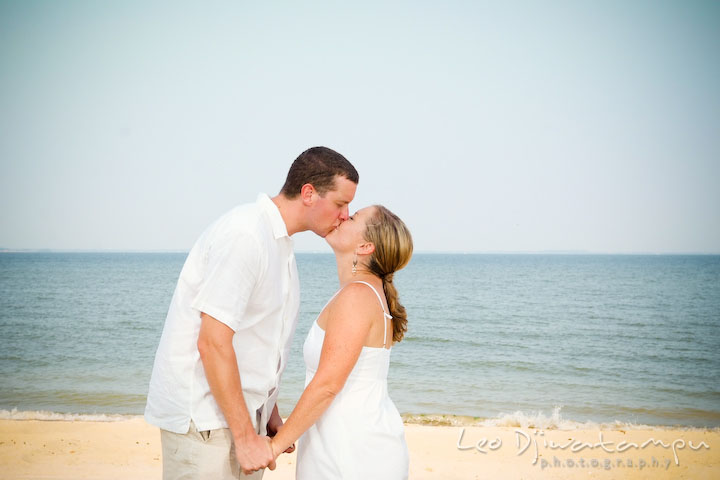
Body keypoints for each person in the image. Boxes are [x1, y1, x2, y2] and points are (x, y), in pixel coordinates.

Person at [144, 146, 359, 479]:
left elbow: (261, 341)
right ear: (308, 193)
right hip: (204, 421)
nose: (345, 215)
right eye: (341, 204)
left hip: (244, 419)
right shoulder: (245, 234)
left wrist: (269, 414)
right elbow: (212, 342)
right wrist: (245, 438)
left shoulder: (281, 245)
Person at [269, 205, 413, 479]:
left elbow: (327, 385)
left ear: (365, 247)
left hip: (352, 454)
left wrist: (275, 446)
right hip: (348, 446)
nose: (344, 216)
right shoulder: (365, 292)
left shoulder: (357, 296)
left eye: (354, 216)